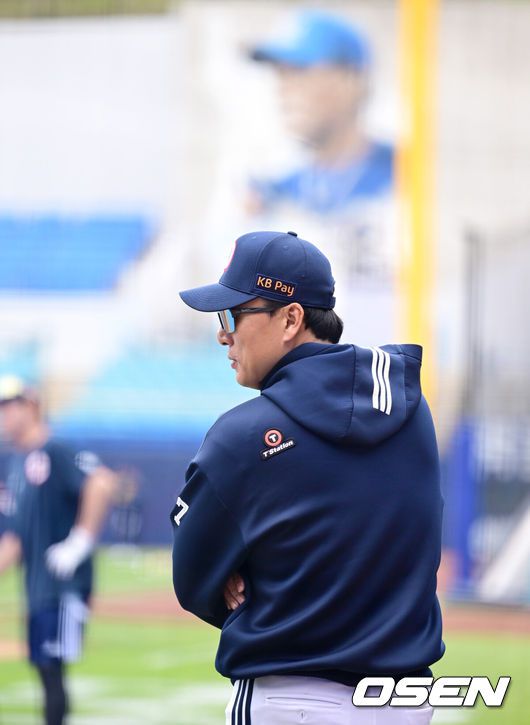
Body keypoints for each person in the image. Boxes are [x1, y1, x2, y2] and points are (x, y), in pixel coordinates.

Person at [172, 230, 444, 724]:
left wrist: (251, 587)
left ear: (291, 318)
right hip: (407, 704)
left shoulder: (242, 435)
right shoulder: (411, 408)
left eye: (233, 315)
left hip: (291, 697)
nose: (223, 335)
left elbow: (193, 581)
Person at [0, 376, 116, 725]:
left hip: (62, 586)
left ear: (31, 406)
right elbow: (15, 537)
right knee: (42, 668)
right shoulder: (16, 462)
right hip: (37, 588)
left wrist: (79, 541)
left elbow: (101, 481)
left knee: (52, 671)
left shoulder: (56, 449)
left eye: (10, 406)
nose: (5, 415)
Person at [246, 10, 393, 216]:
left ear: (351, 81)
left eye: (298, 70)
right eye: (280, 73)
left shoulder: (410, 178)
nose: (282, 89)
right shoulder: (275, 192)